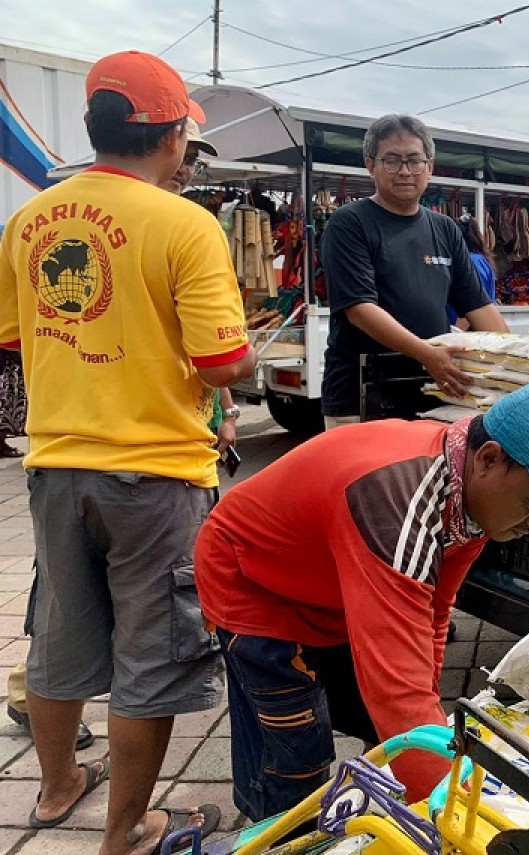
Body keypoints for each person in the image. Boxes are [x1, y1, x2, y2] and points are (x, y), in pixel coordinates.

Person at [0, 50, 257, 854]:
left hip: (54, 464)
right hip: (155, 475)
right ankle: (127, 828)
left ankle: (54, 788)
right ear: (172, 134)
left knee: (60, 634)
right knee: (152, 652)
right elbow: (222, 363)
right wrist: (242, 361)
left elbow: (12, 338)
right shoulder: (185, 224)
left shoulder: (30, 220)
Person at [193, 383, 529, 821]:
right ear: (489, 459)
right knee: (294, 760)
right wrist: (455, 816)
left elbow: (433, 612)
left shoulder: (470, 494)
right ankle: (274, 836)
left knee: (391, 729)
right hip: (253, 581)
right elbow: (397, 695)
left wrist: (424, 725)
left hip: (330, 581)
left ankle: (370, 807)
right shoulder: (399, 503)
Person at [321, 114, 508, 428]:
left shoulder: (445, 230)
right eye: (392, 161)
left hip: (432, 391)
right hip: (361, 395)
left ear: (430, 167)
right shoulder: (350, 223)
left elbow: (478, 305)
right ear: (370, 165)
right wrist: (426, 353)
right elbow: (360, 308)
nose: (405, 171)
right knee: (370, 478)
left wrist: (518, 361)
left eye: (414, 160)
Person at [162, 118, 241, 457]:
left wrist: (227, 413)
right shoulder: (191, 227)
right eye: (180, 155)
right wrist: (245, 356)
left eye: (192, 161)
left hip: (194, 418)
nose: (184, 169)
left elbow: (210, 346)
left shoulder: (194, 225)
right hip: (159, 435)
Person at [448, 213, 498, 330]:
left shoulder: (471, 262)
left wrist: (455, 335)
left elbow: (472, 305)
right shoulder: (478, 259)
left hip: (468, 335)